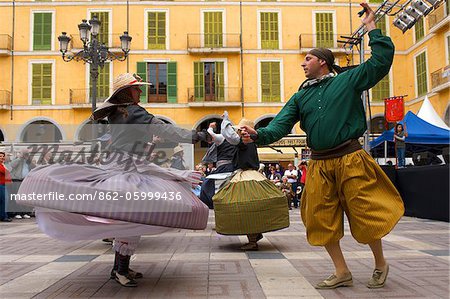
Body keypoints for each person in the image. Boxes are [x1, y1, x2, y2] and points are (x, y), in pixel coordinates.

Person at [240, 3, 404, 289]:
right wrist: (257, 135)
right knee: (320, 218)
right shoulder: (300, 96)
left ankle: (380, 263)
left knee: (365, 213)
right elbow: (279, 126)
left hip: (350, 158)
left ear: (322, 62)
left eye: (307, 59)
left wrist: (371, 27)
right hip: (318, 163)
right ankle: (342, 271)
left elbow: (380, 62)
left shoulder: (348, 80)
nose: (303, 64)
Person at [17, 73, 210, 287]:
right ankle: (120, 270)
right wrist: (199, 136)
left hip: (125, 167)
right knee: (131, 220)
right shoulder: (134, 112)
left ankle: (121, 267)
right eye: (137, 88)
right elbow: (164, 129)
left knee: (130, 220)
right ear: (127, 92)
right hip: (126, 171)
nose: (141, 91)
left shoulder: (119, 112)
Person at [212, 112, 289, 251]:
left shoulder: (243, 142)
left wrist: (225, 120)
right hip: (251, 176)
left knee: (246, 206)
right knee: (251, 205)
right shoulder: (251, 142)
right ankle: (255, 234)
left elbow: (228, 134)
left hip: (246, 176)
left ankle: (253, 240)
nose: (240, 132)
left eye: (242, 129)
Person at [0, 152, 12, 222]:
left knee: (4, 201)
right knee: (4, 201)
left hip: (4, 184)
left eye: (3, 156)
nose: (2, 157)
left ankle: (3, 216)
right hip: (1, 185)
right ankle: (4, 216)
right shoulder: (1, 166)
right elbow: (6, 172)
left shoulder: (3, 164)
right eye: (0, 156)